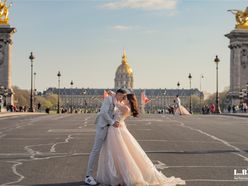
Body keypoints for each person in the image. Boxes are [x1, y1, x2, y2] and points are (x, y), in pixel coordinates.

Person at [96, 93, 185, 186]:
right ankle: (118, 174)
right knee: (117, 153)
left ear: (128, 100)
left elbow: (116, 102)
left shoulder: (126, 108)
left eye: (124, 97)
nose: (123, 99)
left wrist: (114, 95)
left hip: (117, 130)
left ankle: (120, 175)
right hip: (116, 129)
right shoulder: (126, 106)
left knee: (119, 154)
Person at [84, 88, 127, 185]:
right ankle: (88, 176)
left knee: (108, 152)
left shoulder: (115, 100)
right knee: (96, 150)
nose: (123, 99)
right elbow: (103, 113)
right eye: (123, 97)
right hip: (103, 127)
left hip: (110, 129)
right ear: (119, 94)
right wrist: (112, 122)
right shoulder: (108, 99)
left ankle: (108, 175)